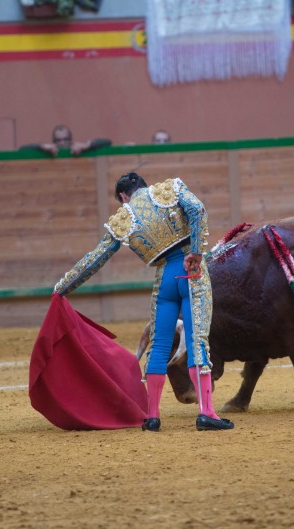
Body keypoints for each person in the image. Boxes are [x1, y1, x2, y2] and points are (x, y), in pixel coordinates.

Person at [53, 172, 234, 432]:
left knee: (158, 345)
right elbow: (197, 209)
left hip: (165, 279)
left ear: (123, 197)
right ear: (142, 186)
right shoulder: (170, 188)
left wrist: (62, 287)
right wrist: (195, 251)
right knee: (197, 341)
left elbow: (95, 259)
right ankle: (206, 413)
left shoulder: (123, 218)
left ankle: (152, 417)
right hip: (191, 271)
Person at [23, 124, 112, 157]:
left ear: (71, 140)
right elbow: (23, 148)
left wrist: (85, 146)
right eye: (58, 140)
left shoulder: (78, 147)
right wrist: (42, 147)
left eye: (65, 139)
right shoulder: (48, 150)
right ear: (54, 141)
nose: (62, 143)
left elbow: (107, 142)